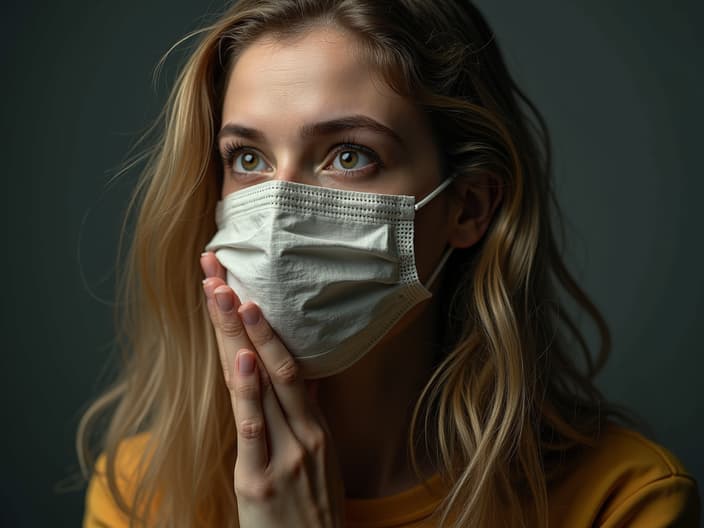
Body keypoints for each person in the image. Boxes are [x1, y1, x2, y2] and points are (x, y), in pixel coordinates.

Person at [77, 1, 701, 526]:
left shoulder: (621, 500)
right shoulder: (140, 492)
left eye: (348, 155)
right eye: (248, 158)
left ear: (468, 206)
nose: (277, 212)